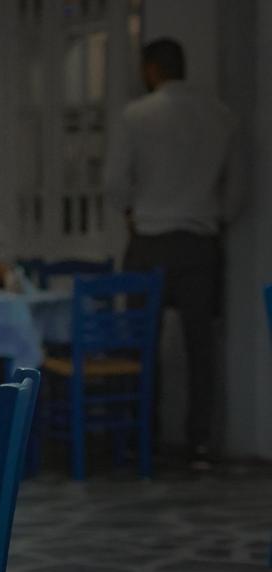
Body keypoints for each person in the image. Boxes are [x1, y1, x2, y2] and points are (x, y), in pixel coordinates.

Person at [103, 37, 245, 470]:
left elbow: (114, 182)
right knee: (201, 345)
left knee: (141, 342)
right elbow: (236, 191)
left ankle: (141, 436)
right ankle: (199, 442)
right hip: (200, 240)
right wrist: (216, 217)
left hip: (150, 239)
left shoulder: (136, 115)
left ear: (151, 69)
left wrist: (131, 211)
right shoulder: (221, 116)